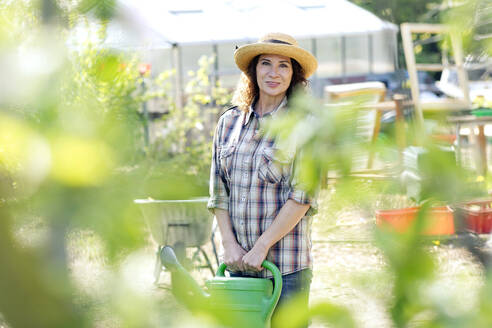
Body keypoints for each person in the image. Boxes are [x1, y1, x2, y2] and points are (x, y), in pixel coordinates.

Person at [207, 32, 318, 326]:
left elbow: (302, 198)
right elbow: (219, 193)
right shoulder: (228, 122)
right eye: (265, 63)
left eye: (284, 65)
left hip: (285, 268)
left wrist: (262, 246)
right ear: (253, 71)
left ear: (294, 75)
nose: (273, 73)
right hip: (237, 265)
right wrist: (230, 246)